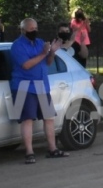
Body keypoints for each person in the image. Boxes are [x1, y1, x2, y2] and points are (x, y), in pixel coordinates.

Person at [9, 18, 69, 164]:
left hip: (42, 85)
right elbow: (26, 65)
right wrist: (44, 53)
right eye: (31, 29)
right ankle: (29, 152)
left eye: (35, 28)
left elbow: (47, 62)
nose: (34, 31)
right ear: (23, 30)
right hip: (24, 85)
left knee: (49, 118)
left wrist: (52, 52)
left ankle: (52, 149)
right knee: (27, 120)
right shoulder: (17, 46)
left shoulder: (40, 42)